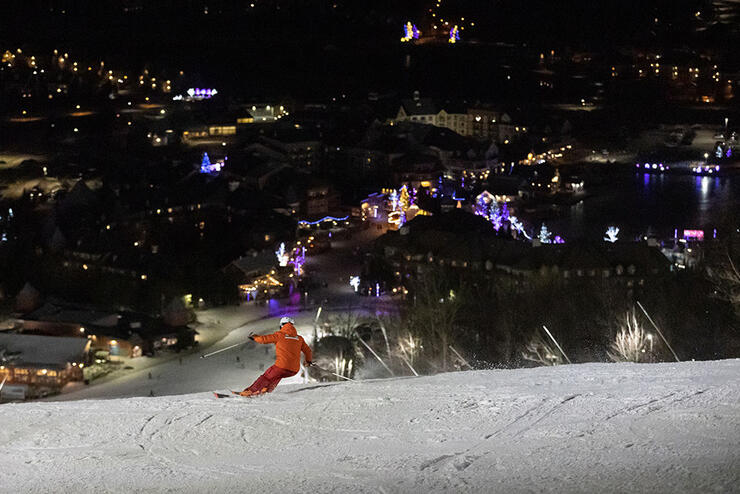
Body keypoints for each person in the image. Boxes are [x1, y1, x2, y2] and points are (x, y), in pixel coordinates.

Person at [238, 316, 312, 397]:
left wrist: (255, 337)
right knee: (276, 376)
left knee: (266, 376)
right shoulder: (299, 338)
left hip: (282, 366)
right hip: (294, 370)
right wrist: (308, 361)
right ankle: (266, 390)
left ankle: (250, 391)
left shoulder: (279, 335)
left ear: (281, 326)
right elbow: (308, 351)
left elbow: (264, 339)